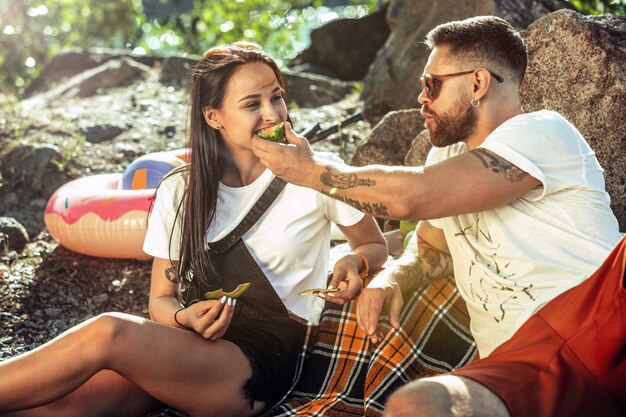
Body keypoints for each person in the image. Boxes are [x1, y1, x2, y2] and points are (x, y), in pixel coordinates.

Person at [252, 16, 625, 417]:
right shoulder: (444, 157)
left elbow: (416, 196)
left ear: (478, 83)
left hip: (601, 305)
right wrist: (395, 275)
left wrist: (312, 173)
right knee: (418, 405)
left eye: (432, 85)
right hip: (518, 362)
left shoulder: (542, 131)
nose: (421, 99)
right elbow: (430, 246)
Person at [0, 42, 388, 417]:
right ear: (213, 116)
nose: (273, 114)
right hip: (193, 348)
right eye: (252, 103)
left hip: (259, 365)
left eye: (277, 97)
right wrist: (185, 319)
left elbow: (374, 243)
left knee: (108, 332)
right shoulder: (181, 190)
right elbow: (161, 302)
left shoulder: (315, 172)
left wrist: (356, 260)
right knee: (50, 407)